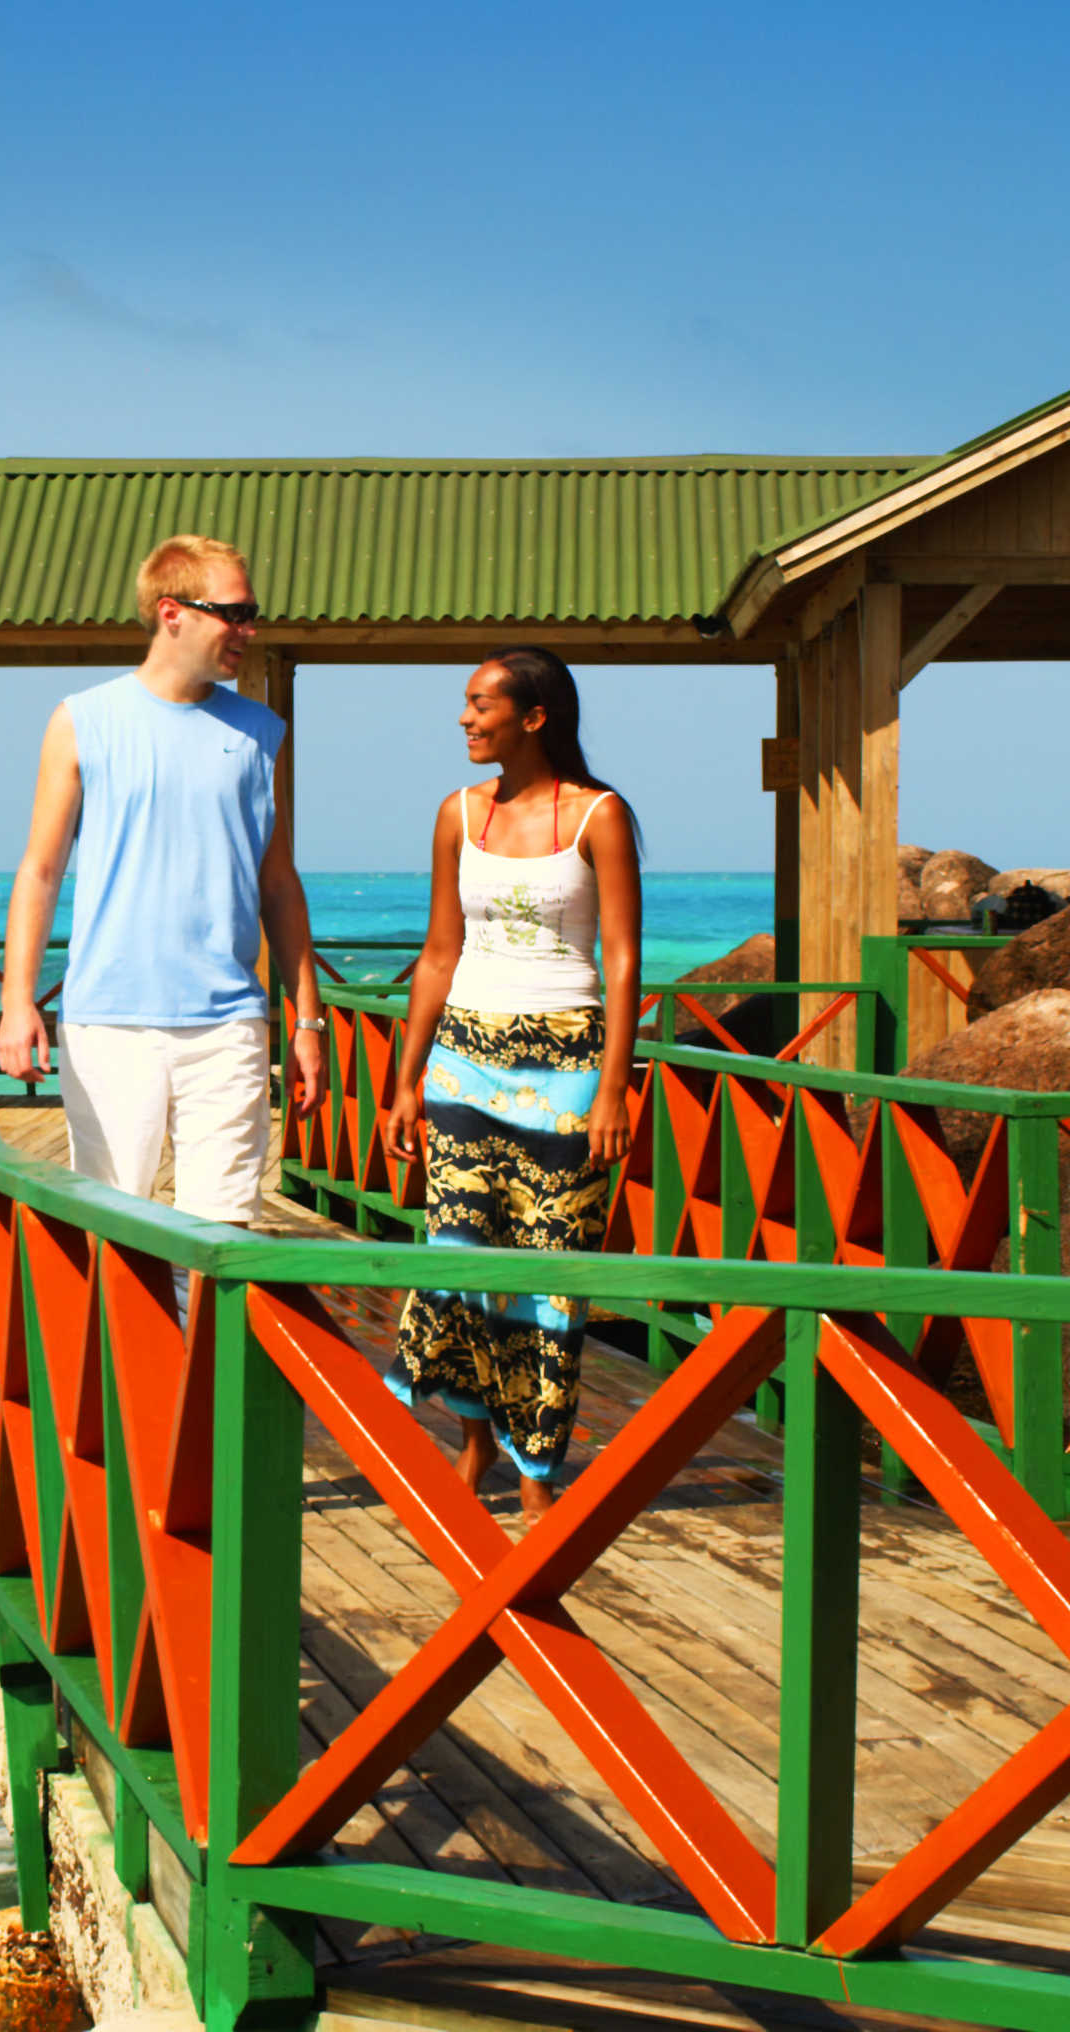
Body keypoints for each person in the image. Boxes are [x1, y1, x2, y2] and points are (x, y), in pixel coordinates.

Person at [376, 648, 643, 1515]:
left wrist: (612, 1087)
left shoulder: (599, 815)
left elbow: (623, 959)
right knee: (453, 1255)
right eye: (464, 701)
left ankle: (536, 1469)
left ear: (533, 717)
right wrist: (406, 1079)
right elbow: (438, 954)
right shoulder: (458, 814)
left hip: (565, 1065)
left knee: (548, 1275)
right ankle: (476, 1440)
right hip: (464, 1058)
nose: (463, 717)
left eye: (480, 703)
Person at [0, 534, 326, 1226]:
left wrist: (307, 1020)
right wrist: (16, 1001)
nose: (249, 629)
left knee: (225, 1234)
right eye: (234, 612)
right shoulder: (82, 721)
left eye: (251, 612)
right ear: (172, 612)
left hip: (230, 1022)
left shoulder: (263, 733)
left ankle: (201, 1343)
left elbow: (279, 885)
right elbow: (41, 869)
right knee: (118, 1227)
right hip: (108, 1021)